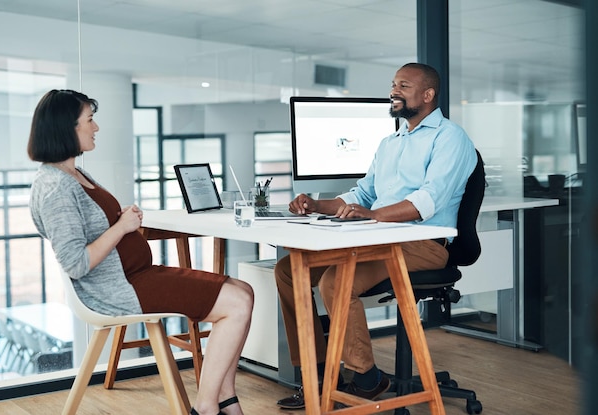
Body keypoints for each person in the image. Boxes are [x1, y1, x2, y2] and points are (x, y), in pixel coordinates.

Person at [27, 89, 253, 415]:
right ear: (67, 128)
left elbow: (93, 227)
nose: (97, 127)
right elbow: (76, 263)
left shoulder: (72, 174)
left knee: (244, 291)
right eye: (89, 120)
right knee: (237, 303)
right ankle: (206, 408)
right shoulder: (55, 189)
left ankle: (225, 397)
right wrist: (121, 228)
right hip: (119, 289)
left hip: (136, 276)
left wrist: (120, 220)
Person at [275, 62, 477, 409]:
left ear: (428, 95)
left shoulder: (451, 138)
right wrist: (315, 205)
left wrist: (373, 215)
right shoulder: (390, 142)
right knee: (289, 270)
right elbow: (362, 195)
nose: (394, 91)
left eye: (404, 85)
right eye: (393, 84)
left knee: (337, 282)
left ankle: (367, 379)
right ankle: (319, 375)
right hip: (379, 237)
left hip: (423, 243)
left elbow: (427, 200)